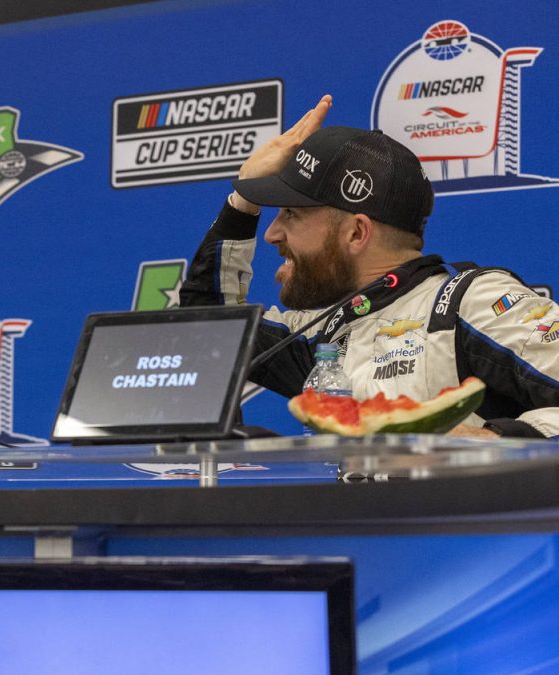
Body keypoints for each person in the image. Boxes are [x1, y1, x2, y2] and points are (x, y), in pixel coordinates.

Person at [180, 95, 559, 438]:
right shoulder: (322, 333)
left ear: (357, 232)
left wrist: (488, 440)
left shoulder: (471, 302)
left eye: (291, 214)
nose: (272, 234)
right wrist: (242, 203)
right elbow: (208, 331)